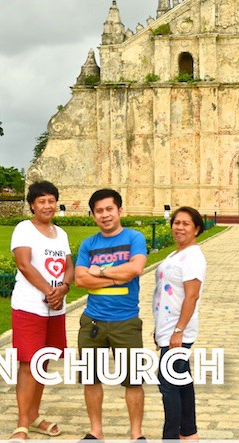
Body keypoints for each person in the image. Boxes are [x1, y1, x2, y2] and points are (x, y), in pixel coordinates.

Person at [74, 188, 148, 441]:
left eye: (109, 209)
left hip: (125, 321)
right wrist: (117, 274)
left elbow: (136, 268)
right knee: (91, 379)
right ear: (93, 215)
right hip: (93, 320)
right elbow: (80, 279)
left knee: (133, 381)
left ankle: (136, 434)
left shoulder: (134, 238)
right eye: (99, 211)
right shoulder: (89, 244)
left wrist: (101, 272)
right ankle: (96, 431)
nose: (105, 215)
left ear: (119, 211)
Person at [9, 181, 73, 440]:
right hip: (29, 306)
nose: (47, 206)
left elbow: (69, 265)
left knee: (43, 362)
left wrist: (64, 288)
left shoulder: (61, 233)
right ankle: (22, 422)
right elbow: (24, 264)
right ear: (32, 205)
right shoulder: (24, 228)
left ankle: (34, 416)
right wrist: (50, 291)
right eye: (41, 201)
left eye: (51, 201)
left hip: (56, 308)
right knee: (28, 363)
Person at [153, 207, 207, 441]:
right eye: (177, 223)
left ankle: (171, 436)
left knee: (168, 385)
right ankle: (189, 432)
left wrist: (178, 331)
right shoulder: (176, 254)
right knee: (181, 379)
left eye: (186, 224)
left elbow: (192, 296)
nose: (180, 227)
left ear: (196, 229)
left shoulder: (193, 256)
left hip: (178, 330)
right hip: (169, 328)